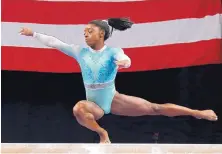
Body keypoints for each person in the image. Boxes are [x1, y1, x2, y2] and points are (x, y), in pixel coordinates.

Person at [20, 18, 218, 144]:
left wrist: (124, 62)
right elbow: (55, 43)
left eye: (90, 31)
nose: (85, 33)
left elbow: (125, 59)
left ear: (102, 34)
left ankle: (197, 113)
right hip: (93, 104)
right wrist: (34, 34)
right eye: (84, 32)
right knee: (79, 109)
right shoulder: (79, 51)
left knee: (155, 108)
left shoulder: (113, 51)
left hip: (113, 98)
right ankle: (102, 134)